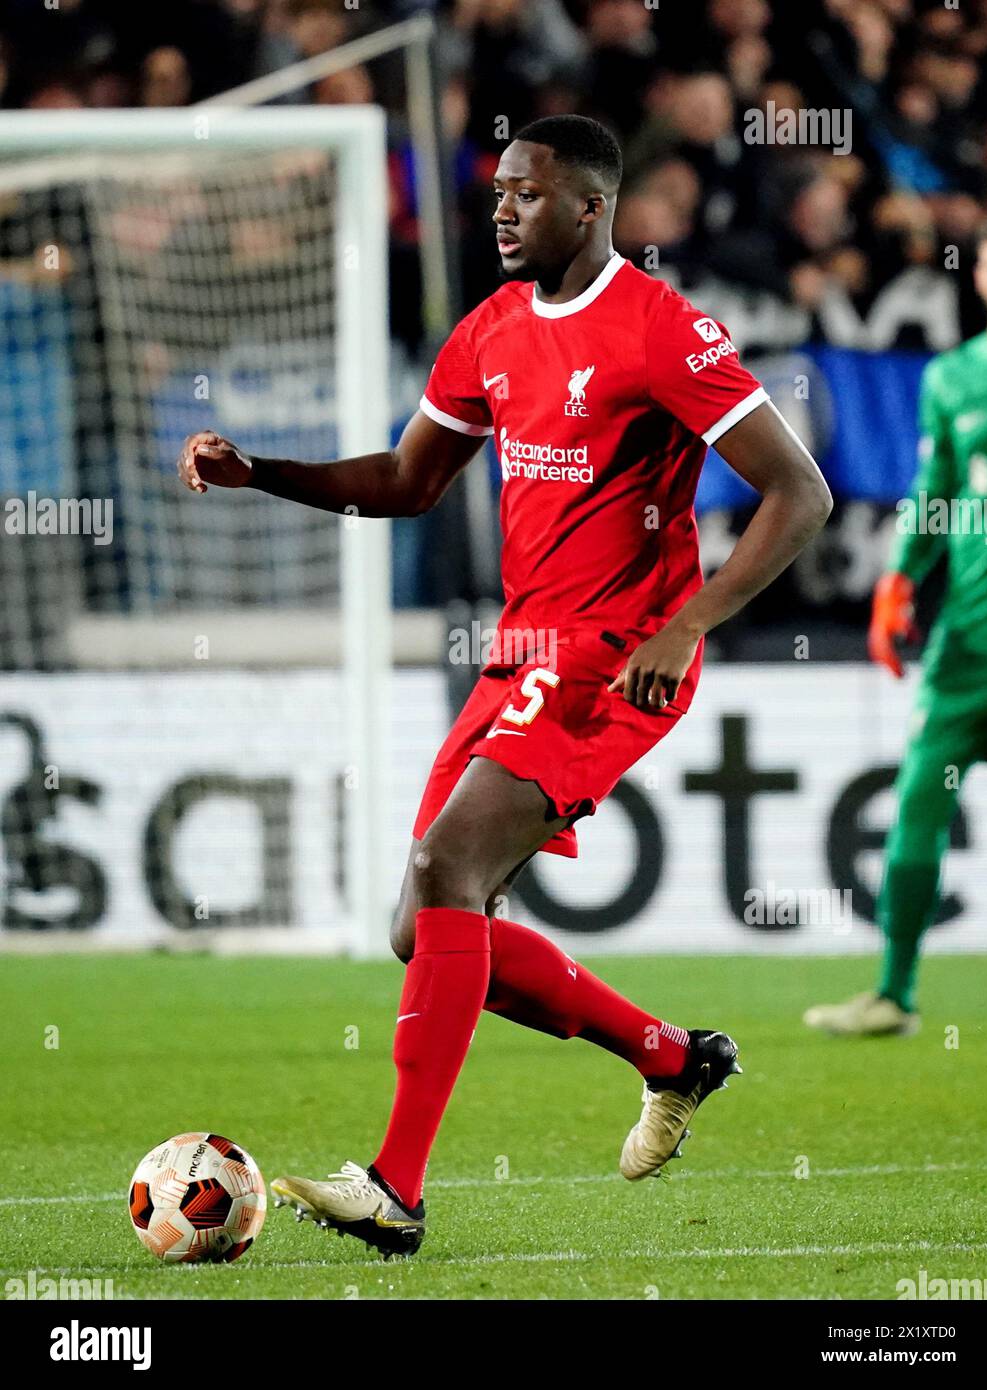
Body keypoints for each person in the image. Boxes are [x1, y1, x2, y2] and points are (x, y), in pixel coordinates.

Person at [177, 115, 832, 1257]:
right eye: (496, 194)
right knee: (424, 924)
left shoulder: (661, 332)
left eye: (524, 194)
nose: (500, 211)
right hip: (521, 652)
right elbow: (403, 479)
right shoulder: (486, 331)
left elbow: (800, 492)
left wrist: (691, 622)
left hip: (616, 653)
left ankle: (396, 1187)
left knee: (444, 867)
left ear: (588, 207)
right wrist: (260, 475)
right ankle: (673, 1057)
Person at [805, 213, 987, 1039]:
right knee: (921, 795)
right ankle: (895, 992)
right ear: (980, 274)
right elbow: (932, 493)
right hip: (970, 637)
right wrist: (896, 584)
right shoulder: (952, 377)